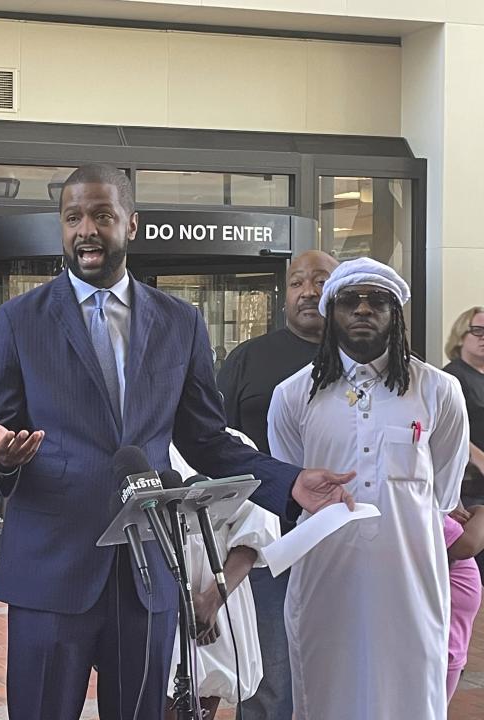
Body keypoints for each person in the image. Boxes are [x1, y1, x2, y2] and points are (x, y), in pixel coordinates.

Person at [0, 163, 354, 720]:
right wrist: (0, 460)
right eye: (72, 217)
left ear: (131, 224)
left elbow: (207, 440)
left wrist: (290, 482)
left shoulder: (180, 322)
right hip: (49, 572)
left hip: (147, 573)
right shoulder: (15, 321)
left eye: (101, 215)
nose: (86, 230)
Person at [267, 257, 469, 719]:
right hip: (325, 576)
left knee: (412, 691)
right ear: (329, 311)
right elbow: (291, 481)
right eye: (349, 301)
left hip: (411, 577)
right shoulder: (294, 395)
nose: (363, 309)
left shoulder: (438, 391)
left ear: (396, 315)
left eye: (377, 301)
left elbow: (443, 492)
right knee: (324, 688)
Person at [217, 249, 338, 720]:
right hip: (265, 545)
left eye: (320, 280)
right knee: (271, 676)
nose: (307, 291)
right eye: (296, 283)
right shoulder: (247, 359)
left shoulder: (370, 366)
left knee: (342, 663)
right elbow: (215, 446)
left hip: (347, 542)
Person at [165, 430, 280, 720]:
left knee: (201, 704)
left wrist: (212, 600)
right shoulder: (140, 444)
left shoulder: (233, 444)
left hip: (215, 603)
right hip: (160, 598)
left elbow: (254, 535)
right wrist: (180, 596)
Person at [443, 308, 484, 511]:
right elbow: (451, 431)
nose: (483, 337)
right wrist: (481, 461)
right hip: (470, 485)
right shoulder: (451, 378)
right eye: (478, 331)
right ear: (460, 335)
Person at [443, 505, 484, 703]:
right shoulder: (428, 514)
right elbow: (467, 545)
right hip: (444, 649)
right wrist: (481, 511)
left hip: (453, 647)